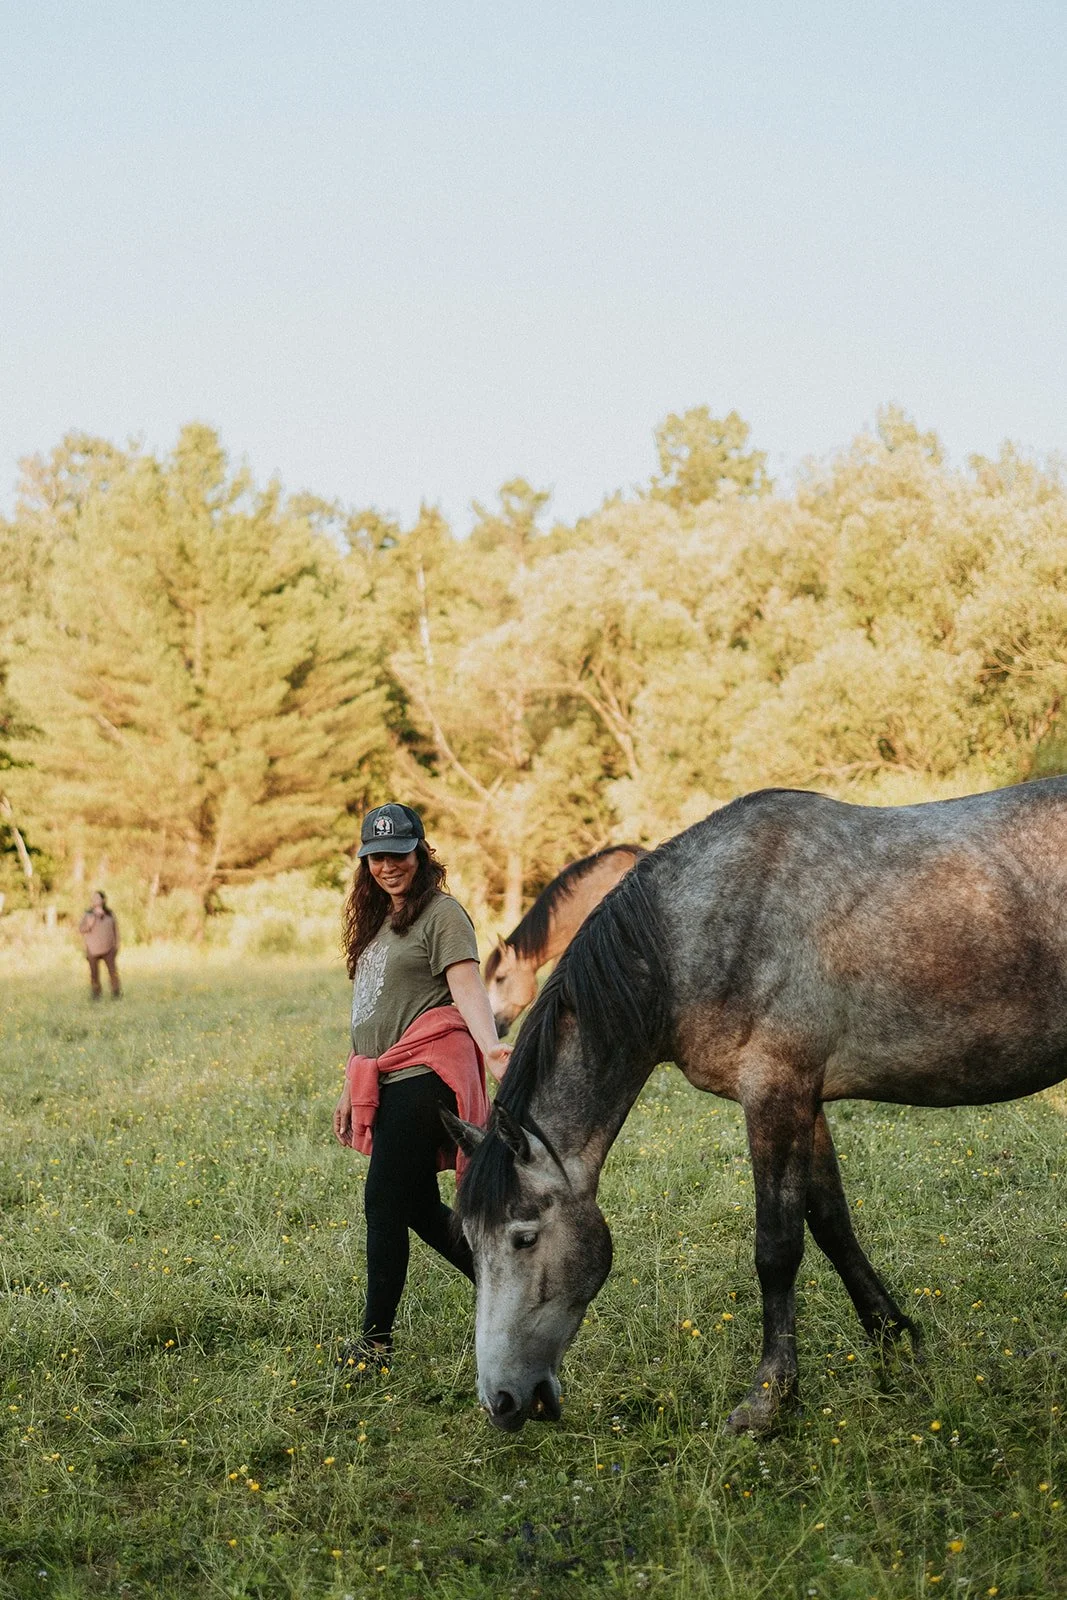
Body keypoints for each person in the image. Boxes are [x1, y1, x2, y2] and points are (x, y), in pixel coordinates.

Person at [333, 802, 510, 1373]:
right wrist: (350, 1081)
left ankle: (375, 1344)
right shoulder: (378, 921)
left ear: (420, 853)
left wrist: (491, 1047)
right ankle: (500, 1280)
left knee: (382, 1200)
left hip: (428, 1068)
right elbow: (370, 1009)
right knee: (408, 1201)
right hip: (386, 1071)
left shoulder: (442, 914)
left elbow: (466, 987)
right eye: (377, 856)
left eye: (399, 854)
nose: (388, 866)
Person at [79, 890, 121, 1000]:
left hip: (109, 948)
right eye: (93, 898)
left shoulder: (110, 914)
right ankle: (96, 994)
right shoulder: (88, 914)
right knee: (94, 974)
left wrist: (116, 944)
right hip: (93, 949)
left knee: (113, 972)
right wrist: (89, 924)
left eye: (97, 898)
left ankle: (116, 993)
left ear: (103, 900)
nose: (95, 900)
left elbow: (116, 930)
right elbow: (81, 929)